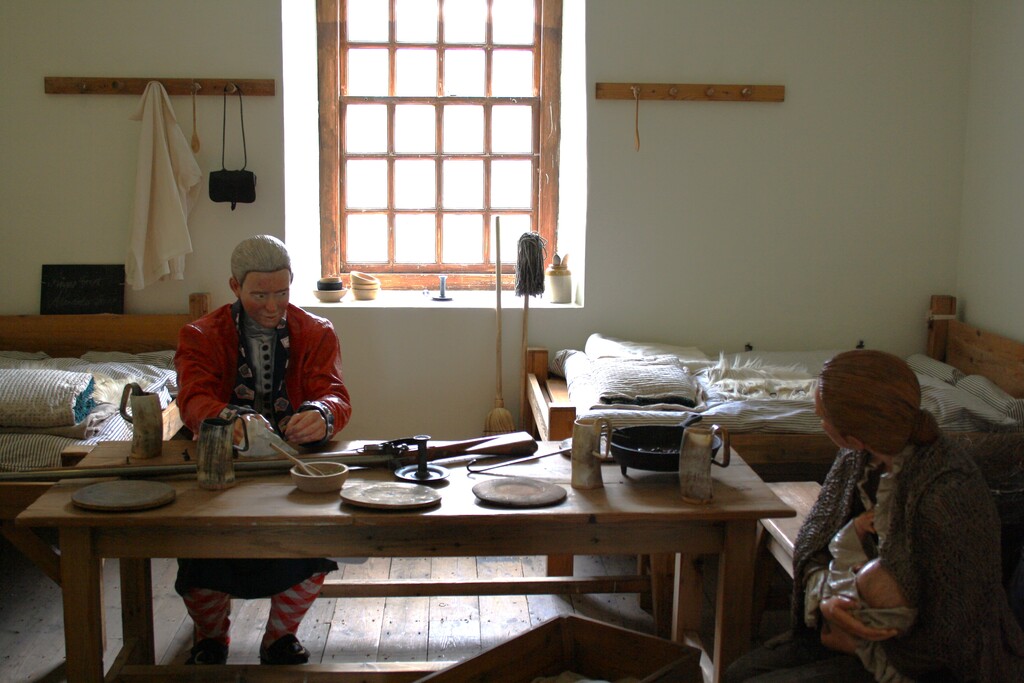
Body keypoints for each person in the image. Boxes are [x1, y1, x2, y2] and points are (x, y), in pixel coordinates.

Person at [724, 350, 1024, 682]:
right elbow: (815, 538)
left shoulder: (948, 492)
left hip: (920, 660)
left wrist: (858, 637)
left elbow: (956, 631)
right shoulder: (857, 458)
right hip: (856, 618)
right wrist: (826, 598)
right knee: (739, 673)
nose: (817, 419)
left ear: (853, 435)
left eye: (823, 416)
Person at [173, 234, 352, 666]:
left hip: (292, 467)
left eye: (283, 292)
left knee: (311, 549)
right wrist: (227, 419)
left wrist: (322, 414)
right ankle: (212, 637)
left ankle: (279, 637)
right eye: (259, 294)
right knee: (203, 556)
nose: (273, 306)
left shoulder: (316, 331)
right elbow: (192, 399)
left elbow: (335, 393)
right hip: (221, 469)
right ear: (234, 287)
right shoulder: (200, 335)